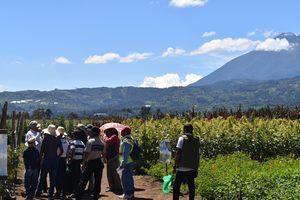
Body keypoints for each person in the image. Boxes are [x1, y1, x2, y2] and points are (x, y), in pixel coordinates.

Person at [76, 126, 105, 200]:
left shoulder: (90, 141)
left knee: (84, 179)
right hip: (98, 162)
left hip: (91, 162)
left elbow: (86, 153)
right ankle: (96, 196)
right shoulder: (102, 142)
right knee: (98, 180)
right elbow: (104, 154)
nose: (90, 133)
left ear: (94, 133)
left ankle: (79, 196)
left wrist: (83, 163)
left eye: (91, 132)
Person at [35, 124, 64, 199]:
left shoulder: (45, 139)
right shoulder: (57, 140)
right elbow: (61, 151)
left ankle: (38, 193)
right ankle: (51, 194)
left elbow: (41, 152)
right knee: (53, 178)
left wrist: (40, 160)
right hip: (54, 160)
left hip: (46, 159)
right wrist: (57, 157)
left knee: (42, 177)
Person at [172, 124, 200, 200]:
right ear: (192, 130)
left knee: (176, 186)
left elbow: (178, 152)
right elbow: (198, 154)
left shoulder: (182, 139)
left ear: (184, 130)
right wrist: (196, 168)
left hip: (181, 167)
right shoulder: (196, 139)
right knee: (191, 187)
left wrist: (175, 165)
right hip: (191, 167)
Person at [67, 130, 86, 198]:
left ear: (75, 135)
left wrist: (70, 160)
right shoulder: (82, 143)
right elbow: (84, 153)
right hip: (79, 161)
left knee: (72, 177)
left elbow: (72, 150)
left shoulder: (73, 142)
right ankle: (77, 192)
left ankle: (73, 192)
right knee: (78, 177)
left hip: (74, 161)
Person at [118, 126, 135, 200]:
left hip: (127, 162)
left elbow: (126, 152)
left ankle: (127, 194)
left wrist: (123, 162)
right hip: (130, 161)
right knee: (129, 178)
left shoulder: (126, 140)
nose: (121, 132)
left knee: (125, 178)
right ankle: (130, 193)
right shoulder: (130, 139)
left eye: (122, 131)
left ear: (125, 132)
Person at [103, 127, 122, 193]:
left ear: (111, 131)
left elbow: (108, 141)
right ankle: (112, 187)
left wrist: (105, 137)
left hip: (114, 157)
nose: (106, 133)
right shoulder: (112, 137)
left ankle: (118, 187)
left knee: (114, 173)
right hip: (110, 157)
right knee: (109, 173)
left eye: (107, 132)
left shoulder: (114, 136)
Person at [55, 126, 69, 199]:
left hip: (58, 159)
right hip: (64, 160)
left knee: (57, 177)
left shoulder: (57, 141)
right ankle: (63, 193)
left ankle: (58, 192)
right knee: (64, 177)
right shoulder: (66, 141)